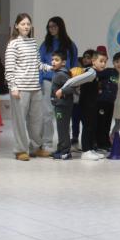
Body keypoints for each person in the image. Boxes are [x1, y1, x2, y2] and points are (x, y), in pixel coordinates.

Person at [4, 13, 48, 161]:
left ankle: (36, 147)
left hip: (35, 87)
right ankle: (20, 150)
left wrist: (50, 68)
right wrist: (13, 87)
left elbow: (38, 64)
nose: (26, 27)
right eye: (23, 24)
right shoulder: (13, 44)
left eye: (28, 24)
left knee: (37, 120)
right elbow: (9, 69)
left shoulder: (33, 43)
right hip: (20, 88)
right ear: (17, 26)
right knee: (19, 121)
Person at [38, 16, 78, 151]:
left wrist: (73, 82)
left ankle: (65, 143)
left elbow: (74, 65)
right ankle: (47, 143)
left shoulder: (70, 45)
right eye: (49, 27)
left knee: (65, 114)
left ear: (60, 27)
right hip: (48, 82)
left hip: (65, 83)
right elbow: (39, 64)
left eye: (54, 26)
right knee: (47, 113)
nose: (52, 29)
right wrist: (40, 81)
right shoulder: (45, 45)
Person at [79, 51, 107, 158]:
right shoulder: (90, 72)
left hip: (92, 105)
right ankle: (85, 151)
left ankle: (90, 149)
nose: (103, 64)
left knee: (92, 126)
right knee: (87, 126)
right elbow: (76, 81)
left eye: (105, 62)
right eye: (101, 61)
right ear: (93, 61)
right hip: (86, 105)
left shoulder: (95, 73)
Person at [95, 55, 119, 150]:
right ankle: (99, 143)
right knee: (101, 122)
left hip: (110, 102)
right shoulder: (108, 71)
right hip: (102, 102)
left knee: (107, 123)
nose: (119, 65)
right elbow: (96, 75)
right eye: (117, 62)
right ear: (113, 62)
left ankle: (105, 142)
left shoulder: (117, 73)